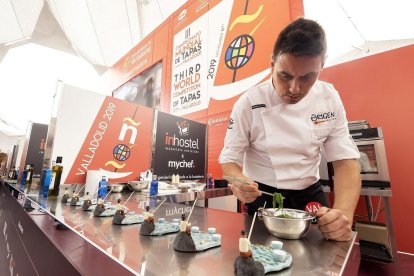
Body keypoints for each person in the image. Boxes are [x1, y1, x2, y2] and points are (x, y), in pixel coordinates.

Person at [219, 18, 361, 241]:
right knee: (261, 256)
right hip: (263, 195)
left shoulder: (329, 97)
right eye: (285, 76)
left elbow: (346, 161)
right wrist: (239, 182)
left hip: (310, 193)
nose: (294, 88)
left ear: (321, 66)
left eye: (307, 77)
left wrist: (343, 214)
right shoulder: (248, 102)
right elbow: (229, 161)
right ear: (272, 64)